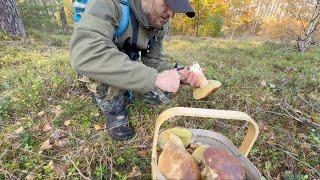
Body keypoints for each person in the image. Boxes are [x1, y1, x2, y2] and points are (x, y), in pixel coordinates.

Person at [70, 0, 199, 140]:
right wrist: (154, 78)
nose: (171, 14)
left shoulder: (158, 22)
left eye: (175, 9)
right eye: (169, 4)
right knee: (110, 92)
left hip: (127, 63)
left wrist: (178, 72)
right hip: (102, 63)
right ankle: (114, 111)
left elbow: (153, 60)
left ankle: (127, 89)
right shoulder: (110, 3)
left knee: (162, 96)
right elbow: (86, 53)